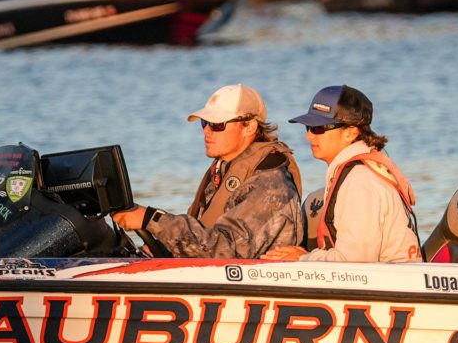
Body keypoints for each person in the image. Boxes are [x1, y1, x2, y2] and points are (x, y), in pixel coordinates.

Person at [112, 84, 304, 258]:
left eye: (217, 125)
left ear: (250, 126)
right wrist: (163, 246)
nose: (206, 131)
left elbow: (226, 249)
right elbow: (201, 240)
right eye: (204, 123)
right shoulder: (222, 171)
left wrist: (151, 220)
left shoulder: (270, 184)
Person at [262, 85, 422, 263]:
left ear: (351, 132)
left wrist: (304, 258)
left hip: (390, 285)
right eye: (308, 127)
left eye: (319, 128)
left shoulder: (359, 182)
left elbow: (355, 262)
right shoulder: (356, 172)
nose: (309, 136)